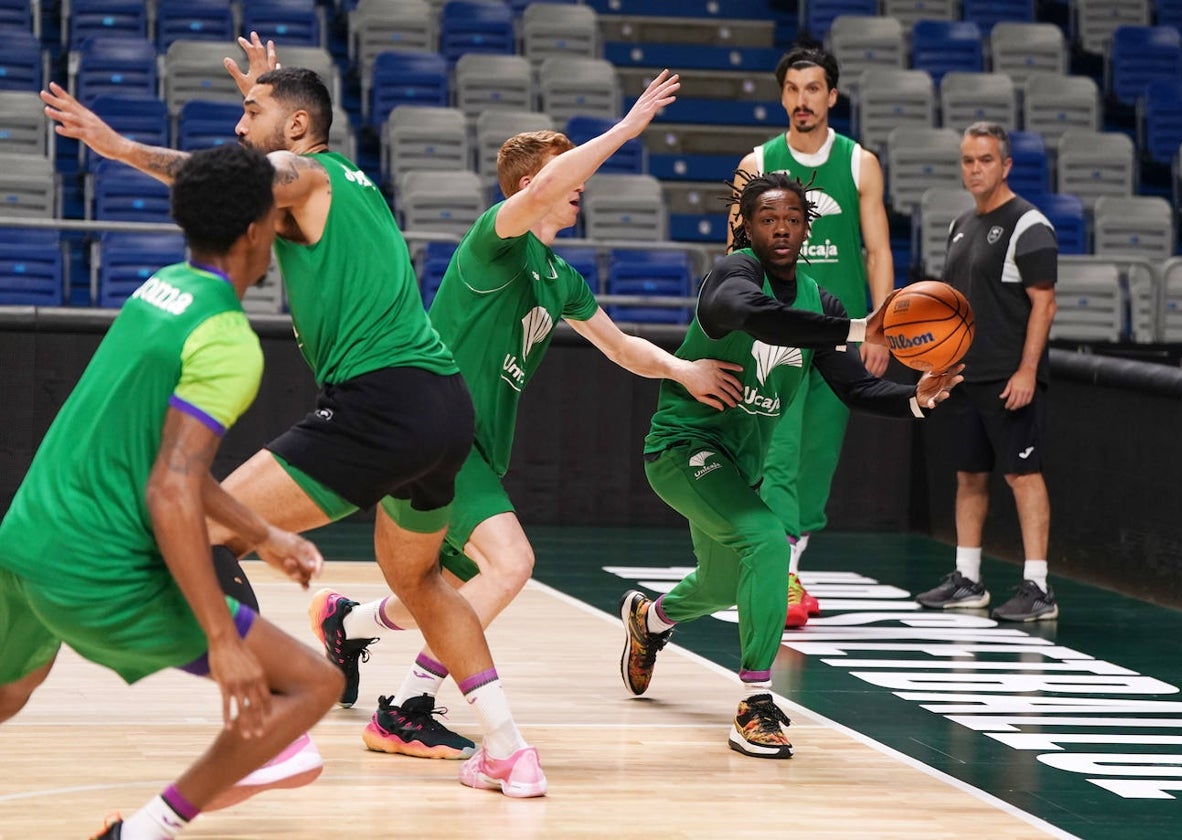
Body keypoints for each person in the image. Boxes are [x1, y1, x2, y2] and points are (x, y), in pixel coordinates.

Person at [41, 34, 545, 798]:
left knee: (200, 525)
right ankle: (509, 750)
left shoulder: (305, 174)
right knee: (422, 583)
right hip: (443, 407)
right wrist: (265, 96)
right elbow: (250, 171)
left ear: (301, 130)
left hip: (381, 402)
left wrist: (115, 146)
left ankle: (273, 727)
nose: (240, 128)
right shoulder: (343, 183)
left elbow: (222, 179)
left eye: (251, 113)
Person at [309, 70, 745, 759]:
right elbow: (543, 188)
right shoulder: (495, 242)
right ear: (526, 188)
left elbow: (621, 346)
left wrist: (683, 370)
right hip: (437, 440)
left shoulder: (559, 275)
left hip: (476, 449)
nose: (580, 184)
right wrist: (627, 130)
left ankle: (351, 623)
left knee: (445, 587)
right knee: (511, 564)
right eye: (564, 172)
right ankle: (410, 706)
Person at [0, 145, 343, 839]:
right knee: (316, 684)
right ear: (257, 230)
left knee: (9, 692)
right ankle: (143, 834)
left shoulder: (159, 288)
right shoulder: (227, 339)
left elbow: (156, 455)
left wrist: (267, 534)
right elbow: (170, 489)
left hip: (25, 541)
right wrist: (222, 636)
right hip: (95, 570)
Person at [620, 171, 963, 759]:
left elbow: (853, 387)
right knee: (767, 540)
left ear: (808, 227)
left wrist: (917, 397)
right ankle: (755, 704)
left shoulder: (819, 303)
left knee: (725, 582)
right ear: (746, 227)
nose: (781, 229)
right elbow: (753, 314)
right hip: (684, 447)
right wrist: (860, 327)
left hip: (738, 462)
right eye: (767, 220)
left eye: (792, 219)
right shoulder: (730, 277)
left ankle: (650, 620)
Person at [730, 44, 895, 629]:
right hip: (777, 336)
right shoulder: (756, 162)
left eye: (813, 89)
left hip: (842, 335)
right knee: (778, 454)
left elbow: (877, 250)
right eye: (793, 90)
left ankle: (789, 558)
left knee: (817, 462)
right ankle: (779, 575)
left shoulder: (859, 163)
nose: (803, 100)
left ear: (832, 96)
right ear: (783, 97)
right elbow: (735, 255)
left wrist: (881, 325)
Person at [914, 121, 1059, 622]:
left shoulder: (1029, 224)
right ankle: (968, 579)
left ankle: (1038, 588)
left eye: (985, 160)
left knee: (1023, 475)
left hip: (1008, 377)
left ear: (1006, 165)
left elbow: (1045, 304)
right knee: (969, 476)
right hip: (965, 376)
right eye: (967, 160)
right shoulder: (961, 225)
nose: (975, 169)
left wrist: (1026, 371)